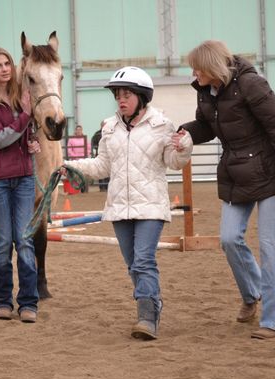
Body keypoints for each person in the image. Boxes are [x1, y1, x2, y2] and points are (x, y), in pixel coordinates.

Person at [176, 40, 275, 339]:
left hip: (270, 175)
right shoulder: (206, 91)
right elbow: (208, 127)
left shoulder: (252, 85)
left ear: (212, 66)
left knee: (271, 246)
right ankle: (252, 294)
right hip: (236, 173)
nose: (193, 72)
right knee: (229, 239)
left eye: (197, 67)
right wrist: (184, 131)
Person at [63, 66, 193, 340]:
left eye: (127, 95)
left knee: (144, 261)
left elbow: (172, 161)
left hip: (151, 206)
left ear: (142, 97)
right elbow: (102, 166)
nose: (121, 100)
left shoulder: (162, 126)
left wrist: (184, 149)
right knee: (133, 264)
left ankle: (147, 317)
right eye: (118, 95)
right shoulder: (109, 128)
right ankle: (153, 302)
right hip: (120, 206)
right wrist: (71, 166)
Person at [0, 45, 42, 323]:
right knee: (2, 242)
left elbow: (25, 134)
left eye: (7, 64)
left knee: (24, 241)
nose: (4, 69)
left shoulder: (19, 97)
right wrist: (25, 116)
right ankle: (2, 300)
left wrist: (32, 141)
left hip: (24, 177)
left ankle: (28, 302)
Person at [90, 120, 109, 190]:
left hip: (109, 155)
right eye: (103, 125)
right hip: (99, 155)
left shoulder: (110, 133)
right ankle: (101, 187)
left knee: (108, 171)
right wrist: (95, 147)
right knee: (100, 170)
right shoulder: (97, 134)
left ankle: (107, 187)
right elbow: (93, 143)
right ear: (101, 126)